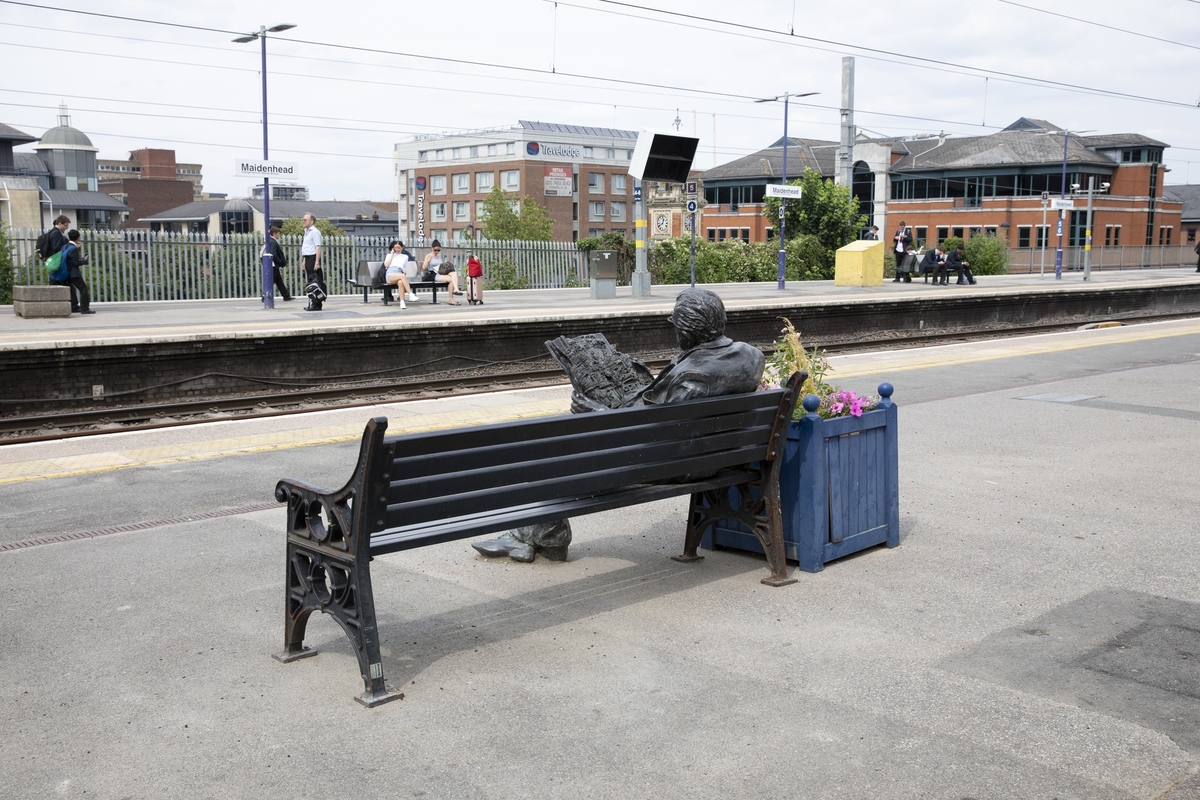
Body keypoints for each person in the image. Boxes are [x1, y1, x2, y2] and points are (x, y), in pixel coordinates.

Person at [472, 287, 765, 563]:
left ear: (688, 329)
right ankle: (543, 534)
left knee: (552, 450)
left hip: (677, 464)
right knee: (564, 444)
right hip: (716, 454)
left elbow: (652, 432)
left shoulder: (693, 377)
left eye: (676, 327)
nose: (675, 333)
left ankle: (545, 536)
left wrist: (596, 411)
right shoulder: (751, 356)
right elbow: (665, 417)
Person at [62, 229, 94, 314]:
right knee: (83, 289)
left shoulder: (65, 246)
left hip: (66, 273)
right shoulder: (73, 249)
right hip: (74, 273)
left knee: (72, 290)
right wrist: (84, 260)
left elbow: (70, 260)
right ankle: (85, 308)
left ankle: (74, 306)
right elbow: (75, 263)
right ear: (78, 237)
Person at [300, 212, 325, 311]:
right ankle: (312, 302)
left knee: (315, 281)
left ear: (311, 221)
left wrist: (317, 262)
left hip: (313, 257)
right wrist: (304, 260)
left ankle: (317, 304)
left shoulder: (315, 232)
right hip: (308, 257)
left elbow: (317, 247)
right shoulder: (306, 231)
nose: (303, 221)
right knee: (310, 282)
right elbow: (307, 248)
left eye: (305, 219)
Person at [383, 240, 418, 308]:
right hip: (390, 274)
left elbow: (404, 267)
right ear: (393, 248)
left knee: (400, 282)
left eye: (399, 247)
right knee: (402, 276)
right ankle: (410, 294)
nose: (397, 249)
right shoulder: (389, 255)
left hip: (399, 273)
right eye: (395, 247)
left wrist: (404, 270)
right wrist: (392, 254)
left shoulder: (405, 257)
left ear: (402, 248)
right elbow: (386, 265)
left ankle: (402, 303)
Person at [264, 226, 292, 302]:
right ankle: (265, 296)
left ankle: (286, 295)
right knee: (271, 281)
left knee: (279, 281)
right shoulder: (273, 242)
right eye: (278, 233)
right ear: (274, 233)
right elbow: (274, 254)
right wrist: (280, 262)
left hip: (273, 265)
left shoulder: (270, 241)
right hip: (273, 265)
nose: (279, 235)